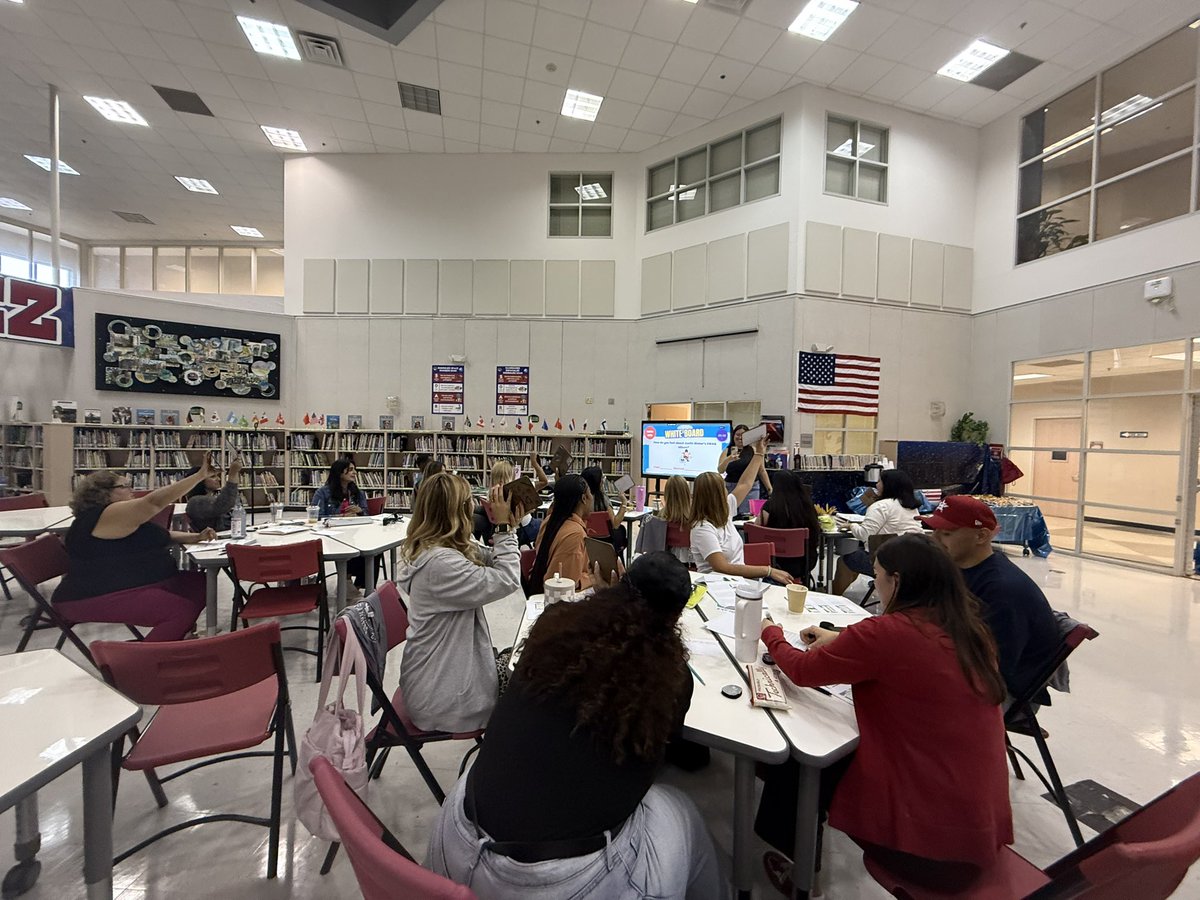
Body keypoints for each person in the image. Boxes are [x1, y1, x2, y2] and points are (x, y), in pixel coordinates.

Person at [426, 552, 722, 899]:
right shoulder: (668, 678)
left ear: (621, 580)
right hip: (560, 882)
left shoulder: (555, 625)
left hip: (453, 843)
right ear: (677, 614)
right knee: (682, 809)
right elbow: (663, 756)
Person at [755, 535, 1012, 894]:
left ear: (897, 580)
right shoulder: (971, 632)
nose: (874, 582)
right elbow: (904, 655)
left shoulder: (889, 634)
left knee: (800, 757)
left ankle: (795, 868)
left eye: (876, 574)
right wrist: (841, 637)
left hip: (923, 825)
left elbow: (800, 669)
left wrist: (771, 633)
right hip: (977, 816)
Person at [396, 473, 525, 733]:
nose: (475, 506)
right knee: (539, 680)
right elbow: (507, 578)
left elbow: (490, 558)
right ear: (456, 512)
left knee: (528, 657)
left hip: (440, 675)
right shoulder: (440, 564)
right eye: (469, 502)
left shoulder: (440, 547)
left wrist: (507, 526)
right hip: (443, 695)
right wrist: (502, 531)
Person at [53, 464, 216, 641]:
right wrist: (199, 476)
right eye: (124, 486)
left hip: (140, 582)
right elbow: (153, 503)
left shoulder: (122, 518)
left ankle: (177, 637)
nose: (131, 490)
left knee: (204, 584)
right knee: (180, 610)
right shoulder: (102, 515)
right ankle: (141, 660)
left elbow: (158, 535)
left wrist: (194, 537)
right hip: (98, 594)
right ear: (102, 493)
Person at [924, 495, 1061, 704]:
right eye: (933, 531)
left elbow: (991, 670)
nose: (935, 540)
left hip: (1002, 690)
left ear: (981, 536)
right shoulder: (962, 569)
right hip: (967, 665)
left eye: (946, 534)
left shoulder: (1003, 591)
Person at [690, 438, 794, 584]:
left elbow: (746, 483)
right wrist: (768, 571)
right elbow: (722, 567)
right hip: (718, 586)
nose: (727, 490)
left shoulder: (725, 509)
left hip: (737, 582)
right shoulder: (702, 528)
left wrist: (758, 453)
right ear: (717, 495)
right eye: (723, 488)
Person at [833, 468, 925, 595]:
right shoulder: (910, 506)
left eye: (879, 481)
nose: (876, 484)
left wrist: (851, 526)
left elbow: (865, 535)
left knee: (845, 561)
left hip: (887, 560)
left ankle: (835, 596)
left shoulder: (881, 506)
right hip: (914, 561)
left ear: (888, 485)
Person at [312, 459, 370, 595]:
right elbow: (316, 516)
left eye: (354, 469)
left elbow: (367, 513)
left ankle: (360, 584)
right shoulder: (323, 492)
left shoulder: (356, 492)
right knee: (348, 547)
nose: (354, 473)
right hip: (332, 535)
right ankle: (346, 581)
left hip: (354, 532)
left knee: (373, 551)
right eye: (350, 470)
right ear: (339, 472)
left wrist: (359, 511)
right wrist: (338, 517)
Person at [528, 474, 593, 593]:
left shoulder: (549, 520)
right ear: (584, 498)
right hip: (557, 598)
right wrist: (593, 578)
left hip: (538, 586)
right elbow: (567, 582)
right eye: (590, 494)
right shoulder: (575, 534)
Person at [755, 469, 822, 582]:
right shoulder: (808, 506)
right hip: (804, 562)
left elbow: (756, 530)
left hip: (775, 561)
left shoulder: (770, 507)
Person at [581, 465, 631, 558]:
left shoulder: (580, 498)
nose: (604, 479)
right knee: (621, 530)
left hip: (585, 538)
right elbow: (615, 524)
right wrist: (624, 502)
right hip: (605, 541)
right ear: (599, 482)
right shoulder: (602, 499)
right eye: (603, 477)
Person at [183, 455, 242, 532]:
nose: (218, 479)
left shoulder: (211, 498)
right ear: (200, 481)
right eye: (213, 477)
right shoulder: (195, 502)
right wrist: (233, 473)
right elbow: (225, 504)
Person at [658, 474, 692, 565]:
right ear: (687, 493)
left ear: (666, 494)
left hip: (667, 564)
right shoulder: (695, 518)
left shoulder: (660, 518)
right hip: (692, 563)